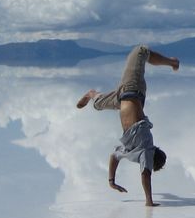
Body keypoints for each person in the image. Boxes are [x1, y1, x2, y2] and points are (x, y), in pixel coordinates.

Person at [76, 44, 180, 206]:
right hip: (133, 90)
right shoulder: (146, 148)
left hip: (121, 98)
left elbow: (114, 156)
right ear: (152, 156)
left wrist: (111, 180)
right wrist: (149, 201)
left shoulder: (132, 151)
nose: (146, 166)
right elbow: (145, 174)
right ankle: (172, 62)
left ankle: (91, 94)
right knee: (141, 51)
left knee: (98, 104)